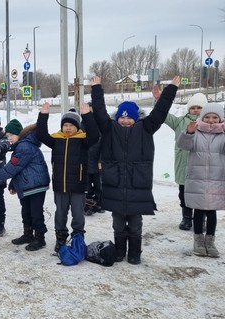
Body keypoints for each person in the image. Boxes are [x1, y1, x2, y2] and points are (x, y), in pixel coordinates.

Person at [91, 75, 180, 265]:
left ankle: (135, 253)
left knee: (135, 223)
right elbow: (99, 112)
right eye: (122, 117)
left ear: (135, 118)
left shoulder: (146, 128)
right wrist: (97, 88)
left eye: (129, 117)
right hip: (114, 183)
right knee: (117, 223)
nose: (124, 121)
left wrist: (171, 89)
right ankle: (119, 251)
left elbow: (161, 111)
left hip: (137, 184)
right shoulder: (109, 129)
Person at [37, 102, 99, 252]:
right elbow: (41, 134)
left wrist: (87, 116)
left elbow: (95, 135)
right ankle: (61, 239)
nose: (68, 128)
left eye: (72, 125)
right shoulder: (56, 140)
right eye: (65, 125)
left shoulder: (83, 140)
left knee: (78, 215)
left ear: (77, 127)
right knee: (60, 214)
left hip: (78, 186)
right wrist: (43, 115)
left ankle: (78, 238)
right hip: (60, 186)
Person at [154, 90, 208, 230]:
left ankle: (200, 218)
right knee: (183, 194)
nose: (196, 110)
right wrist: (160, 100)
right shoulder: (179, 122)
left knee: (201, 194)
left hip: (201, 166)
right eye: (193, 107)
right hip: (183, 165)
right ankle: (186, 218)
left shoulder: (208, 122)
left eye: (199, 108)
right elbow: (164, 116)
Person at [177, 102, 225, 258]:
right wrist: (188, 133)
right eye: (208, 117)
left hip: (216, 179)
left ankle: (210, 241)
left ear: (220, 118)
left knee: (211, 212)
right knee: (198, 211)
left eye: (215, 117)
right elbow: (183, 145)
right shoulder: (196, 131)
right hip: (197, 178)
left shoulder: (222, 134)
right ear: (202, 118)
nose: (211, 120)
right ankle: (198, 240)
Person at [0, 119, 51, 250]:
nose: (9, 139)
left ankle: (40, 238)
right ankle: (28, 234)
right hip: (27, 185)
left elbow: (14, 166)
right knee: (26, 211)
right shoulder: (21, 146)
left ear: (19, 134)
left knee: (35, 213)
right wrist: (13, 185)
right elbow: (20, 169)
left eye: (10, 136)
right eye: (7, 136)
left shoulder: (25, 146)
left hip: (36, 185)